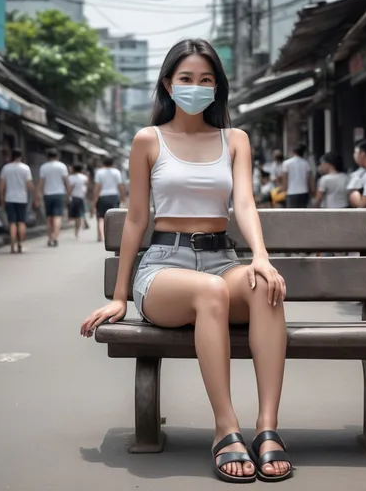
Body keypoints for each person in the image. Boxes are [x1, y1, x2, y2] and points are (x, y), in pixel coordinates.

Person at [81, 38, 292, 483]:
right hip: (163, 268)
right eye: (186, 79)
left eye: (206, 79)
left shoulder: (235, 139)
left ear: (217, 87)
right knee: (210, 292)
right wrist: (121, 297)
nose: (196, 87)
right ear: (168, 84)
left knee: (265, 289)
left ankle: (268, 427)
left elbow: (246, 205)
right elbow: (137, 219)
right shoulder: (148, 140)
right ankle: (225, 428)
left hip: (221, 259)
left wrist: (260, 258)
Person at [0, 148, 34, 254]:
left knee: (12, 222)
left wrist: (1, 197)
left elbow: (1, 185)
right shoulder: (25, 168)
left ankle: (12, 246)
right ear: (21, 156)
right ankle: (21, 244)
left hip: (9, 198)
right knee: (21, 222)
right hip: (22, 199)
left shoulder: (6, 168)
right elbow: (29, 185)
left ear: (11, 156)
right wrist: (26, 190)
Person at [35, 148, 71, 247]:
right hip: (59, 194)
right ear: (57, 156)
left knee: (49, 218)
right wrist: (69, 194)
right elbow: (66, 181)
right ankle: (55, 237)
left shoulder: (44, 167)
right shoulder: (62, 166)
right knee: (57, 217)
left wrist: (38, 194)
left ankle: (50, 237)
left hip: (48, 194)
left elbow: (41, 182)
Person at [92, 156, 126, 243]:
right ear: (113, 163)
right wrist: (123, 197)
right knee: (114, 217)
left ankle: (100, 236)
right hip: (114, 196)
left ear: (103, 163)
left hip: (102, 197)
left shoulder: (99, 172)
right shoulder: (116, 172)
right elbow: (120, 185)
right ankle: (114, 236)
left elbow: (97, 187)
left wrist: (94, 200)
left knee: (100, 217)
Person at [282, 143, 314, 208]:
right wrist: (313, 191)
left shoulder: (286, 163)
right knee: (303, 214)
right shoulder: (306, 163)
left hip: (291, 192)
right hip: (304, 192)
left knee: (292, 214)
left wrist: (284, 190)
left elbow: (285, 178)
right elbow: (310, 179)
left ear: (293, 152)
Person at [68, 163, 89, 239]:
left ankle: (76, 231)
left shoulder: (71, 178)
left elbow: (70, 189)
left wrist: (68, 196)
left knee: (75, 215)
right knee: (79, 215)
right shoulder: (85, 178)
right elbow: (86, 188)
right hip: (81, 197)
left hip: (74, 198)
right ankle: (78, 230)